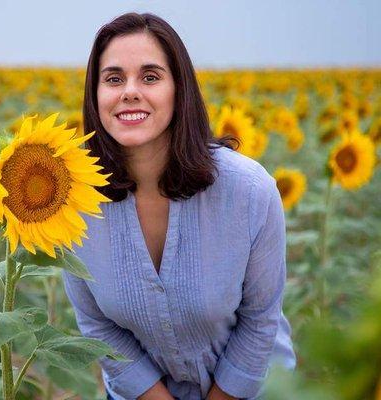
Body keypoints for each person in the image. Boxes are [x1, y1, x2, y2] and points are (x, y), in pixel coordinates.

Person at [61, 12, 296, 400]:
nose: (129, 91)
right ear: (95, 94)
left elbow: (260, 321)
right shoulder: (74, 203)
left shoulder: (249, 192)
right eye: (114, 78)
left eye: (150, 77)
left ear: (179, 89)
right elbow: (98, 327)